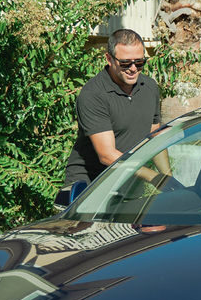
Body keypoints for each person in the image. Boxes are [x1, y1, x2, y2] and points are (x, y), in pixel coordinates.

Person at [58, 29, 167, 202]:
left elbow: (154, 137)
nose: (133, 69)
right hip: (89, 187)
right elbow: (107, 154)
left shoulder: (150, 87)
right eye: (125, 63)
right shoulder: (94, 94)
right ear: (109, 59)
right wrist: (154, 178)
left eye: (139, 62)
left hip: (129, 179)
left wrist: (167, 177)